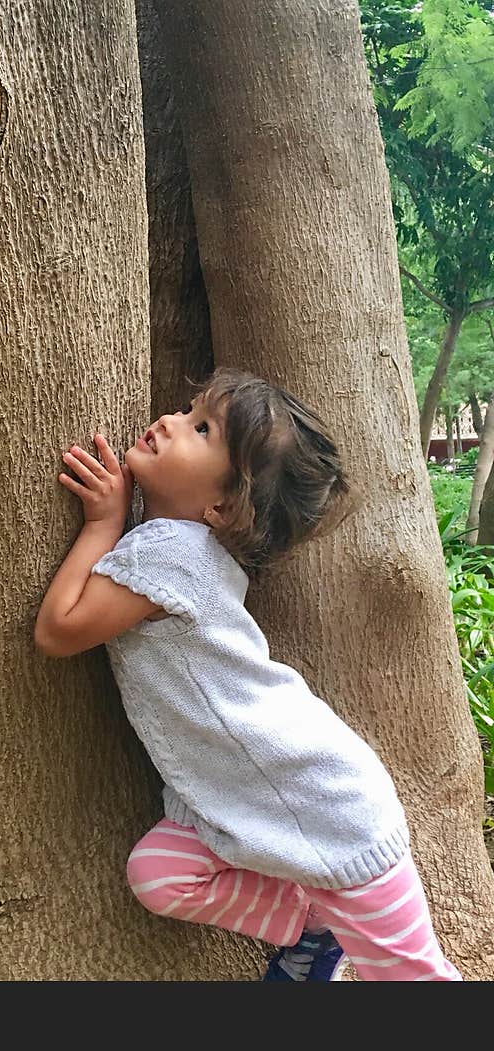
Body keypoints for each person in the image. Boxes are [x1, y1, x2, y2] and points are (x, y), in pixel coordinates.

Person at [34, 367, 461, 982]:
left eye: (201, 428)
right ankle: (315, 928)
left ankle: (324, 927)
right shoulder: (183, 548)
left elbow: (57, 632)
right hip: (255, 802)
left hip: (334, 817)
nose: (171, 421)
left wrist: (102, 524)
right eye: (189, 409)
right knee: (161, 874)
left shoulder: (172, 555)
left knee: (415, 981)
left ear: (223, 506)